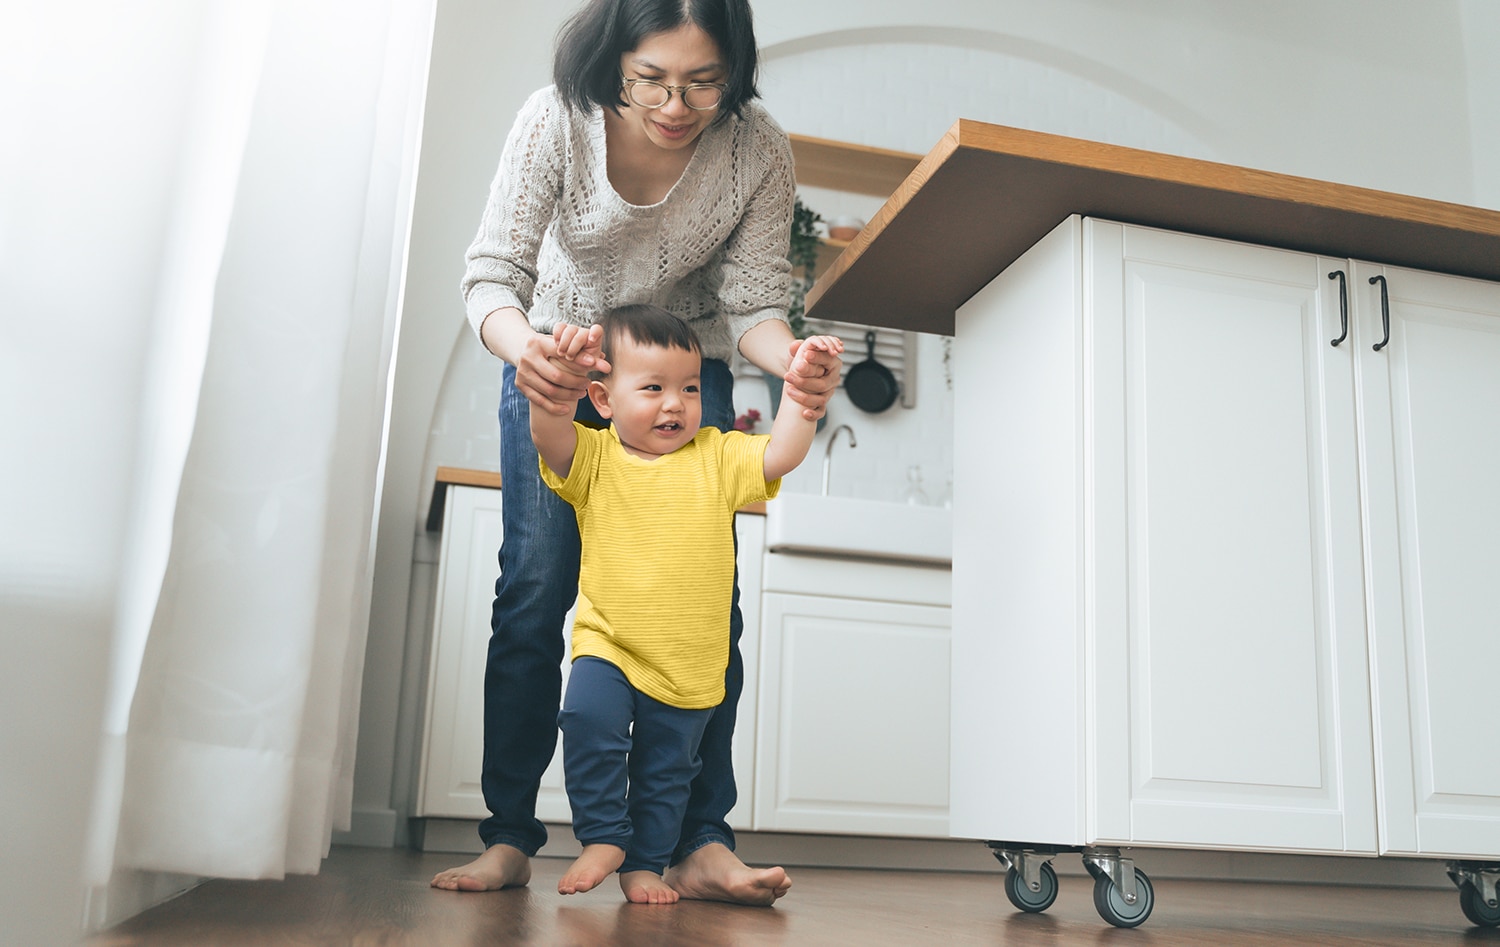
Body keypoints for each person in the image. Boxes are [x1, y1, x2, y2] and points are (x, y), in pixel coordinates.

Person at [430, 0, 842, 903]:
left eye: (705, 81)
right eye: (652, 79)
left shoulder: (756, 148)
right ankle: (508, 834)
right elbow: (494, 272)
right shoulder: (555, 120)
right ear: (612, 57)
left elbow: (757, 306)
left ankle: (698, 839)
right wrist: (526, 352)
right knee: (537, 589)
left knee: (706, 612)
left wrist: (797, 365)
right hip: (560, 366)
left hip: (687, 384)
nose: (677, 104)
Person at [533, 307, 842, 903]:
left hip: (691, 663)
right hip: (610, 646)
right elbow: (550, 438)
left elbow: (779, 453)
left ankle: (646, 865)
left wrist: (801, 396)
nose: (675, 404)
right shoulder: (595, 459)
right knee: (587, 721)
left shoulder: (718, 456)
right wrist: (559, 386)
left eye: (690, 388)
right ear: (603, 398)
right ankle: (602, 835)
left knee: (666, 776)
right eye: (653, 388)